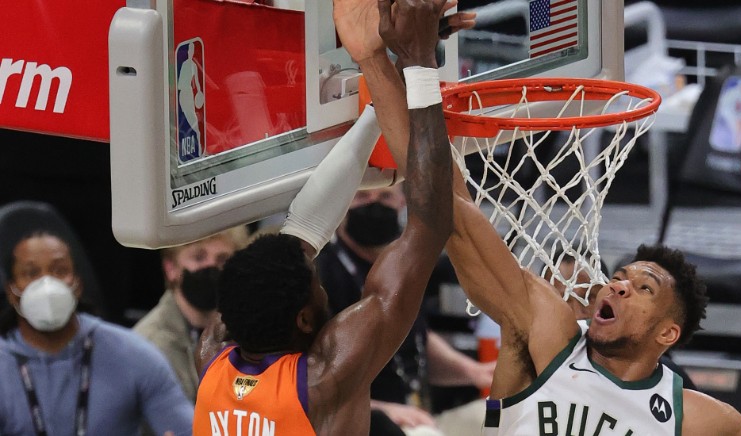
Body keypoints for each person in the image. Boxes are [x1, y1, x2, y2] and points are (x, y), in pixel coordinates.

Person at [366, 7, 741, 436]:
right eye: (620, 277)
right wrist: (400, 62)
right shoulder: (545, 337)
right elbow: (448, 209)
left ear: (668, 333)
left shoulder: (702, 419)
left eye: (643, 288)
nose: (618, 284)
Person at [192, 0, 469, 434]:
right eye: (316, 285)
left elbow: (298, 238)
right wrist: (419, 63)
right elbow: (429, 224)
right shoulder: (325, 379)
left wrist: (394, 78)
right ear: (304, 319)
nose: (322, 290)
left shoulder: (213, 358)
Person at [317, 183, 494, 434]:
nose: (374, 202)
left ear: (402, 203)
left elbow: (416, 338)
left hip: (417, 413)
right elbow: (311, 381)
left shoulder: (401, 264)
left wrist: (475, 372)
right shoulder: (323, 274)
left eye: (385, 196)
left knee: (500, 415)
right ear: (343, 204)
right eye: (363, 196)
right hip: (360, 422)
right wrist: (379, 410)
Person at [0, 230, 193, 436]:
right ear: (11, 292)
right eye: (31, 273)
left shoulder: (133, 355)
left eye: (59, 270)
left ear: (77, 284)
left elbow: (186, 429)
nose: (47, 283)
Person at [134, 228, 248, 403]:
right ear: (170, 267)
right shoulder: (148, 343)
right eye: (199, 257)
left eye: (222, 259)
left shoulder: (245, 331)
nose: (211, 267)